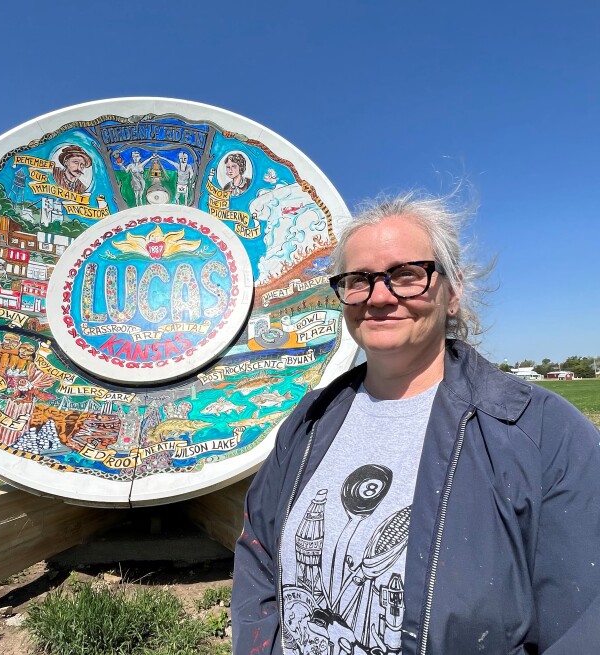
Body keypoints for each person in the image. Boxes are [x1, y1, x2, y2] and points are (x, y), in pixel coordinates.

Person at [232, 192, 600, 654]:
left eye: (407, 275)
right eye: (358, 280)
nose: (379, 297)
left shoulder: (540, 431)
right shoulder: (308, 422)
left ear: (453, 291)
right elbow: (258, 562)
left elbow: (582, 626)